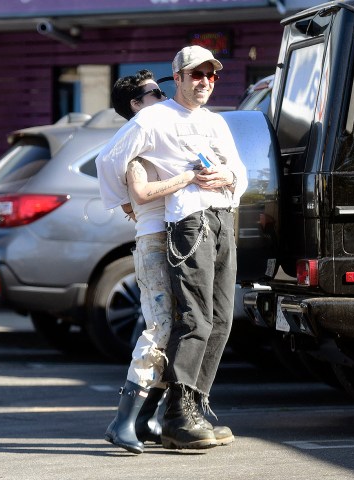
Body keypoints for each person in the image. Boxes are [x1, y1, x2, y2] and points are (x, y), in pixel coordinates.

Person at [96, 45, 248, 451]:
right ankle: (174, 415)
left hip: (221, 219)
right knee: (184, 321)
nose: (204, 82)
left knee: (221, 319)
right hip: (185, 223)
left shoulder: (215, 122)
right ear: (177, 78)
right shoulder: (152, 118)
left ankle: (192, 407)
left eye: (210, 75)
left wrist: (228, 176)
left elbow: (241, 172)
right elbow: (107, 160)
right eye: (195, 75)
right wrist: (127, 203)